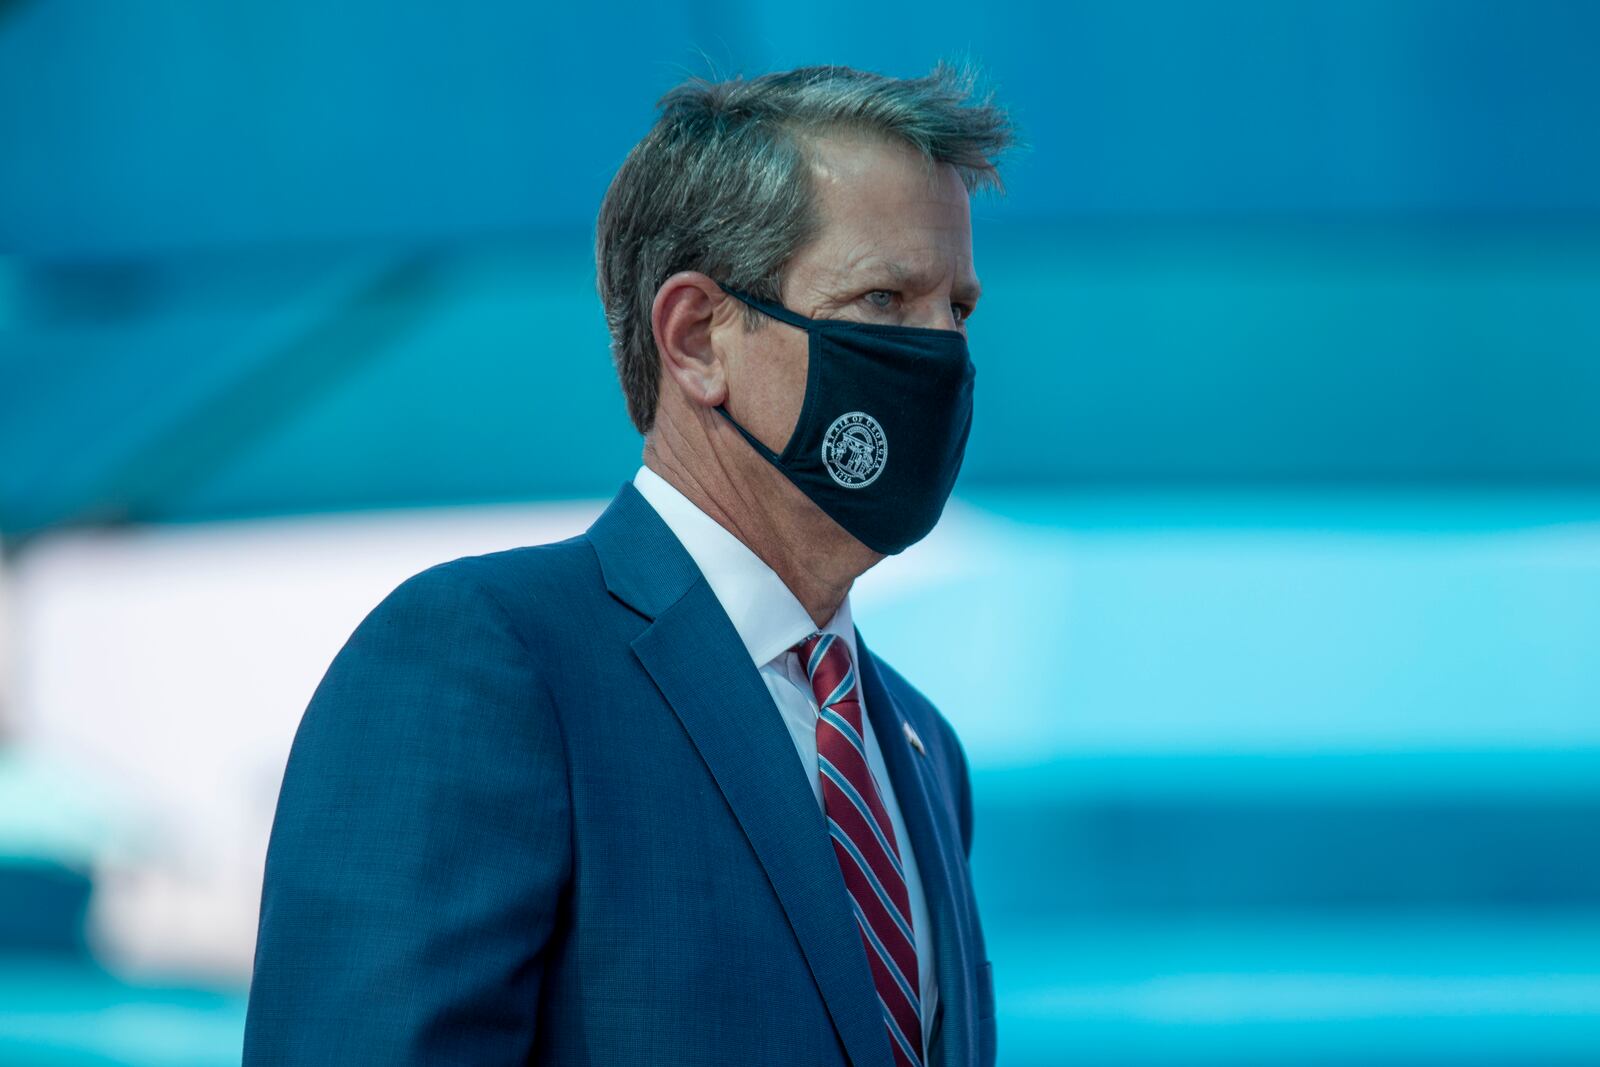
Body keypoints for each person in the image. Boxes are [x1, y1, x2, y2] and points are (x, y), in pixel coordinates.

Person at [243, 61, 1012, 1067]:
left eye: (956, 307)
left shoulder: (915, 742)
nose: (941, 353)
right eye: (883, 298)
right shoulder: (488, 659)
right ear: (695, 337)